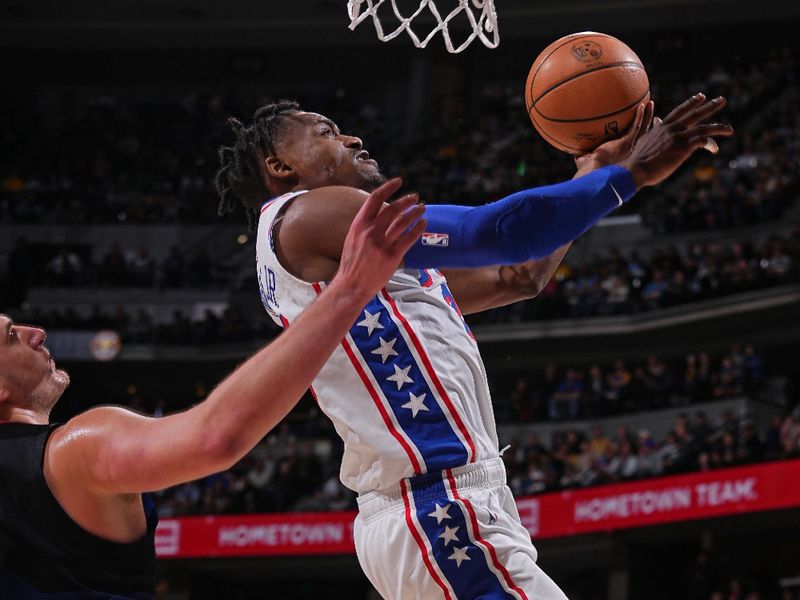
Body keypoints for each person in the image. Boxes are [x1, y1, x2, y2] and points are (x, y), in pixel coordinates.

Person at [215, 93, 732, 599]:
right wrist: (631, 174)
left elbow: (518, 275)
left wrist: (590, 173)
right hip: (439, 510)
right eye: (326, 132)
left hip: (428, 515)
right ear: (280, 167)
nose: (352, 137)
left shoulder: (363, 259)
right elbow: (493, 231)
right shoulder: (307, 212)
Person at [0, 185, 424, 599]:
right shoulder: (74, 451)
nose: (35, 332)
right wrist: (349, 288)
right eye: (11, 338)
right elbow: (214, 436)